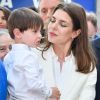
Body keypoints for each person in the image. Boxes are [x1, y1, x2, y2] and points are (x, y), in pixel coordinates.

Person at [36, 2, 97, 100]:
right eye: (53, 20)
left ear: (75, 33)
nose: (53, 26)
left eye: (62, 24)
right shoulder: (33, 54)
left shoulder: (88, 66)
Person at [4, 8, 60, 100]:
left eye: (40, 31)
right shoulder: (28, 56)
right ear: (18, 33)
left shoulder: (8, 57)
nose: (40, 35)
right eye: (35, 31)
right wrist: (50, 92)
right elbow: (34, 83)